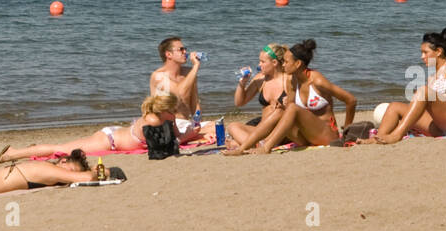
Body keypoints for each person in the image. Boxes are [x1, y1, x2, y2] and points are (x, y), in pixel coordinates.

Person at [224, 39, 356, 154]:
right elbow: (288, 109)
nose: (283, 64)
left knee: (292, 108)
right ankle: (243, 149)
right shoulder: (293, 81)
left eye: (286, 62)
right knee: (282, 110)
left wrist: (346, 131)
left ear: (298, 64)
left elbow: (350, 100)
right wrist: (281, 106)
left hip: (326, 134)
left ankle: (265, 147)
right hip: (306, 136)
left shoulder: (317, 80)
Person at [358, 29, 446, 144]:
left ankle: (397, 135)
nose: (422, 56)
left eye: (425, 52)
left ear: (438, 51)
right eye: (422, 53)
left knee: (423, 91)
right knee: (395, 106)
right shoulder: (431, 77)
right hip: (439, 126)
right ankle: (378, 137)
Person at [0, 94, 183, 163]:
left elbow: (174, 138)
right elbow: (161, 151)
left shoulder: (158, 119)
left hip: (114, 134)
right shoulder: (152, 121)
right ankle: (13, 153)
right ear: (164, 110)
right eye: (173, 111)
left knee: (62, 148)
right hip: (108, 141)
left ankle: (32, 148)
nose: (176, 113)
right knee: (59, 149)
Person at [150, 37, 215, 143]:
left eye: (185, 49)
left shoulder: (188, 73)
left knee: (217, 126)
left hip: (186, 123)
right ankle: (193, 137)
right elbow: (180, 92)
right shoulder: (158, 76)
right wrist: (196, 66)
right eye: (181, 49)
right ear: (168, 55)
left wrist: (197, 122)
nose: (185, 52)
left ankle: (193, 136)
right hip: (169, 125)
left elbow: (194, 102)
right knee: (209, 131)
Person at [226, 43, 289, 147]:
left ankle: (244, 143)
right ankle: (255, 144)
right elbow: (239, 102)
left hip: (281, 131)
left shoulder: (288, 79)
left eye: (262, 62)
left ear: (274, 62)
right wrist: (242, 83)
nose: (259, 65)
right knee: (232, 126)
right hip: (262, 129)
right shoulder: (260, 80)